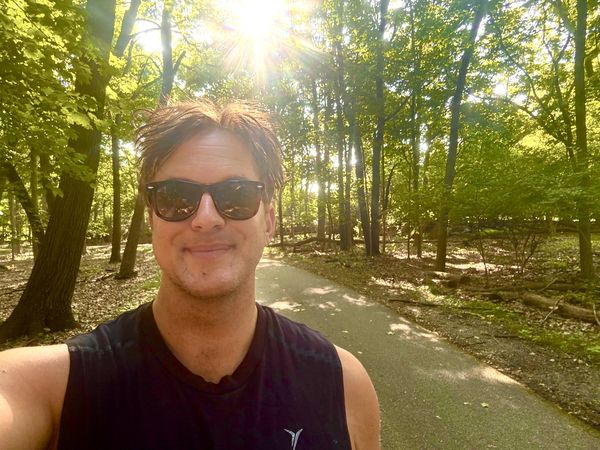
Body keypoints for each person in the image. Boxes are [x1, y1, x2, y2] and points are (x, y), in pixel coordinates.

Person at [0, 101, 380, 450]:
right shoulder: (52, 390)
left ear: (268, 221)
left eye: (236, 194)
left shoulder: (343, 385)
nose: (206, 218)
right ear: (152, 220)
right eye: (176, 196)